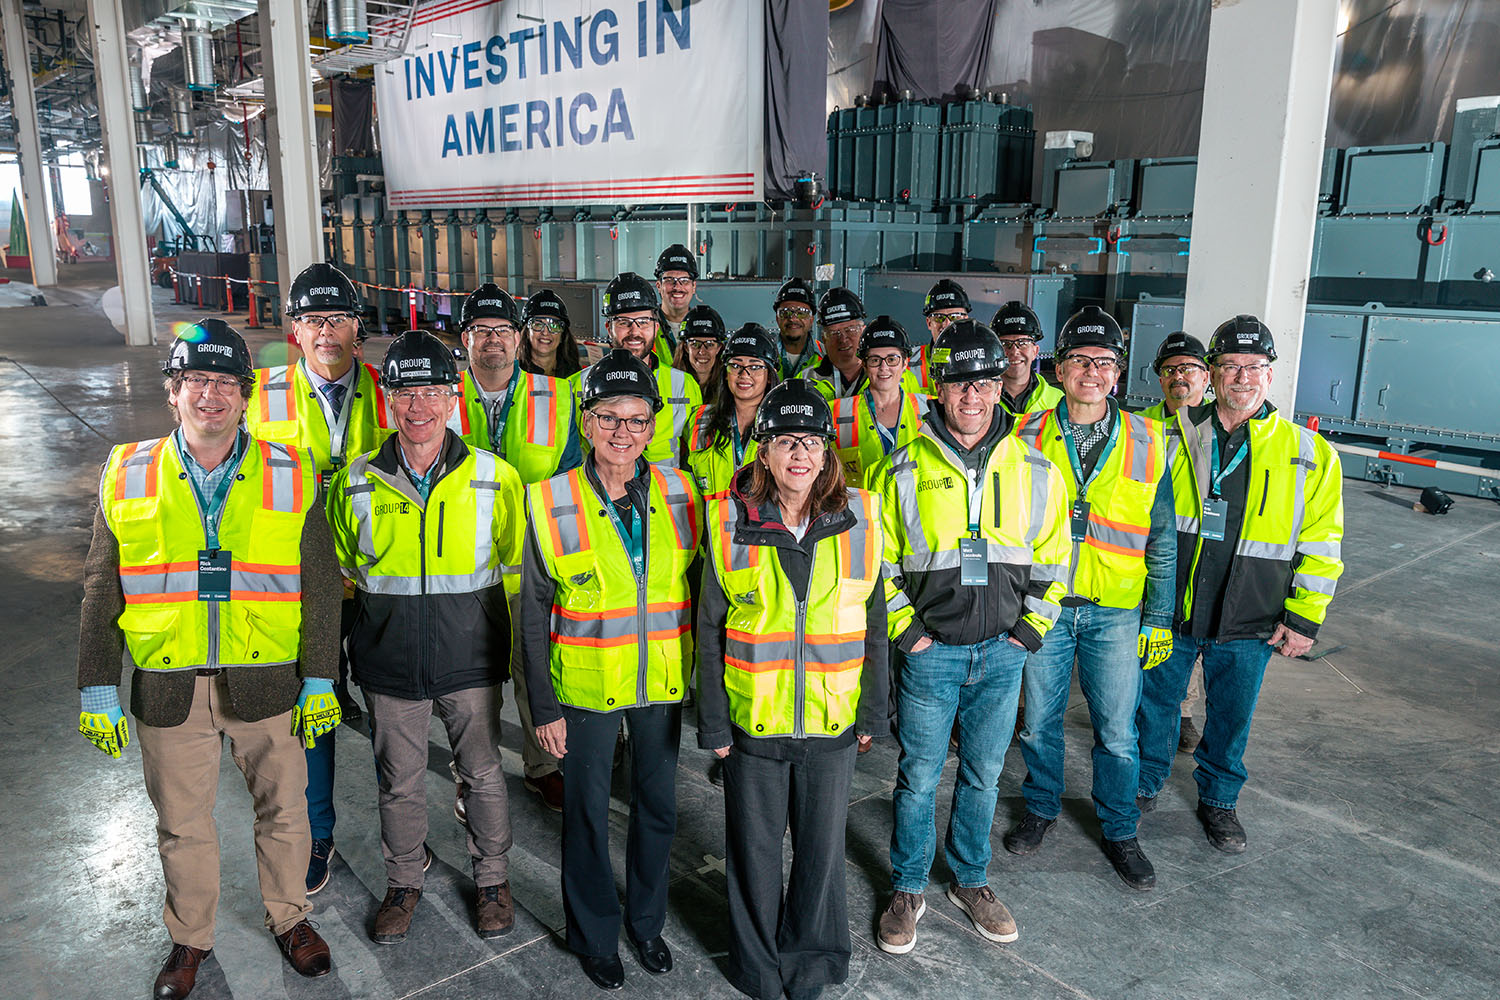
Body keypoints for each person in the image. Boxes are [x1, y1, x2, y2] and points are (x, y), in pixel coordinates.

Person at [77, 320, 339, 999]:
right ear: (173, 392)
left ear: (246, 396)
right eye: (198, 380)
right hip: (170, 687)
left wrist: (318, 676)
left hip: (268, 680)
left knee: (286, 812)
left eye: (226, 383)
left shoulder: (291, 471)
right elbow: (102, 586)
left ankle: (290, 919)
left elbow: (319, 582)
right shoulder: (126, 470)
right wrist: (97, 687)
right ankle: (191, 938)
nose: (212, 396)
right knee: (181, 824)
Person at [870, 319, 1071, 955]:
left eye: (984, 383)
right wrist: (909, 632)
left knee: (984, 774)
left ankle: (971, 879)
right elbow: (880, 560)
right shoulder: (899, 467)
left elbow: (1054, 557)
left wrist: (1029, 631)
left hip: (1003, 651)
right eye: (960, 384)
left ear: (998, 385)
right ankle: (907, 887)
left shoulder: (1036, 468)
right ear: (939, 387)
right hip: (932, 652)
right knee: (920, 774)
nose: (973, 396)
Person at [325, 330, 524, 944]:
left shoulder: (496, 478)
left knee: (484, 774)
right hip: (389, 664)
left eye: (432, 392)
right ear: (387, 400)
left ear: (452, 397)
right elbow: (342, 573)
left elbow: (516, 571)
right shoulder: (355, 484)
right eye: (406, 393)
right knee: (398, 781)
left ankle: (492, 881)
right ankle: (403, 882)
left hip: (472, 659)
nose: (419, 407)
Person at [697, 379, 890, 1000]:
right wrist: (715, 725)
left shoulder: (861, 517)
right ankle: (755, 965)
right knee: (752, 854)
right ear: (764, 452)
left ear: (828, 454)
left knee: (820, 852)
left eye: (810, 442)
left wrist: (871, 713)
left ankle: (814, 960)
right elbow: (708, 626)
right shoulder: (729, 520)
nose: (798, 455)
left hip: (832, 724)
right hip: (755, 724)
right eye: (785, 442)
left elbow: (876, 624)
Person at [522, 349, 704, 991]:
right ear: (586, 418)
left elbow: (703, 592)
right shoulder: (549, 499)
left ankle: (646, 924)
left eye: (635, 419)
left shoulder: (683, 491)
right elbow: (532, 610)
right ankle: (595, 934)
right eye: (608, 418)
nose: (622, 432)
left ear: (653, 424)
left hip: (660, 682)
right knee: (588, 814)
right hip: (586, 685)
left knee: (658, 808)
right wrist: (542, 707)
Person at [1136, 316, 1345, 853]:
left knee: (1230, 714)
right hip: (1172, 608)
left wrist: (1304, 618)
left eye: (1254, 367)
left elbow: (1323, 542)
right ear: (1212, 374)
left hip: (1251, 616)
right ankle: (1143, 783)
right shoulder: (1175, 433)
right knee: (1155, 704)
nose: (1242, 377)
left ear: (1270, 376)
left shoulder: (1310, 453)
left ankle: (1220, 799)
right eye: (1230, 366)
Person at [1005, 306, 1175, 892]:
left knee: (1118, 730)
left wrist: (1157, 616)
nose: (1092, 371)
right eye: (1080, 359)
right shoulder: (1025, 434)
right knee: (1038, 724)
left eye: (1104, 362)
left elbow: (1162, 538)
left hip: (1115, 611)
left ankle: (1121, 828)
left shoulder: (1150, 440)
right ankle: (1042, 808)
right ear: (1060, 367)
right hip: (1045, 607)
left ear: (1118, 373)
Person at [243, 260, 391, 895]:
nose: (326, 331)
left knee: (397, 716)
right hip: (305, 587)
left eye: (338, 319)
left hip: (383, 581)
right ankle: (319, 833)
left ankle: (403, 838)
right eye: (312, 319)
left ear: (358, 327)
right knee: (316, 709)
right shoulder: (259, 394)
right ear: (294, 328)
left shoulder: (398, 389)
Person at [451, 282, 582, 812]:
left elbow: (574, 477)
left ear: (518, 336)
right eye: (481, 331)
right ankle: (471, 776)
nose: (493, 342)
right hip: (460, 559)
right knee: (470, 676)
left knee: (535, 662)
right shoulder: (443, 393)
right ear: (466, 339)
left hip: (532, 558)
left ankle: (542, 764)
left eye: (502, 330)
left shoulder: (557, 397)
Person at [1135, 330, 1213, 751]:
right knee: (1153, 633)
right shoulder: (1141, 427)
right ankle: (1149, 708)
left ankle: (1182, 712)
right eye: (1169, 370)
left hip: (1204, 548)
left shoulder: (1222, 429)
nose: (1179, 377)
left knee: (1193, 638)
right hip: (1153, 546)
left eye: (1189, 368)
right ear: (1158, 378)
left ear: (1206, 377)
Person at [573, 272, 701, 468]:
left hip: (663, 494)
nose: (634, 332)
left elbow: (699, 456)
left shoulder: (684, 385)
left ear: (656, 327)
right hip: (597, 493)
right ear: (609, 328)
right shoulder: (576, 385)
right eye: (624, 322)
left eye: (643, 322)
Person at [828, 315, 928, 488]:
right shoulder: (834, 413)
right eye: (875, 360)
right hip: (860, 513)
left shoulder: (931, 409)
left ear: (905, 363)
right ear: (864, 365)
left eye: (892, 359)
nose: (884, 368)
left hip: (914, 512)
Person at [685, 322, 782, 501]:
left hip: (762, 527)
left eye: (754, 367)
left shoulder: (783, 426)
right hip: (709, 527)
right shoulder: (699, 419)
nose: (744, 374)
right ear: (725, 373)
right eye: (736, 365)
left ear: (769, 375)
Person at [910, 277, 971, 392]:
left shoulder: (982, 361)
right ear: (929, 323)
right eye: (939, 318)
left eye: (954, 317)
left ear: (966, 321)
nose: (946, 324)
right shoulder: (906, 363)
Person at [807, 287, 867, 399]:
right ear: (824, 339)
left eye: (850, 329)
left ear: (863, 332)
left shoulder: (895, 378)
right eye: (834, 333)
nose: (843, 339)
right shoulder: (805, 381)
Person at [519, 288, 584, 379]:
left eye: (554, 325)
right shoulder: (514, 375)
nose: (545, 332)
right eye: (538, 324)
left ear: (562, 336)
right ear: (527, 332)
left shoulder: (574, 375)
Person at [654, 243, 700, 360]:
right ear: (659, 286)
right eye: (670, 280)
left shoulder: (705, 326)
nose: (677, 287)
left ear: (693, 286)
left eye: (684, 280)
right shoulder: (646, 326)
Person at [772, 277, 822, 379]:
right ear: (777, 318)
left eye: (801, 313)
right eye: (786, 312)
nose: (793, 319)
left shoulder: (826, 356)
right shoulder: (764, 353)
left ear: (811, 319)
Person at [672, 303, 728, 392]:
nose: (702, 351)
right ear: (686, 347)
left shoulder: (730, 385)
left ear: (718, 348)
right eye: (695, 344)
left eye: (709, 344)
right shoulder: (669, 382)